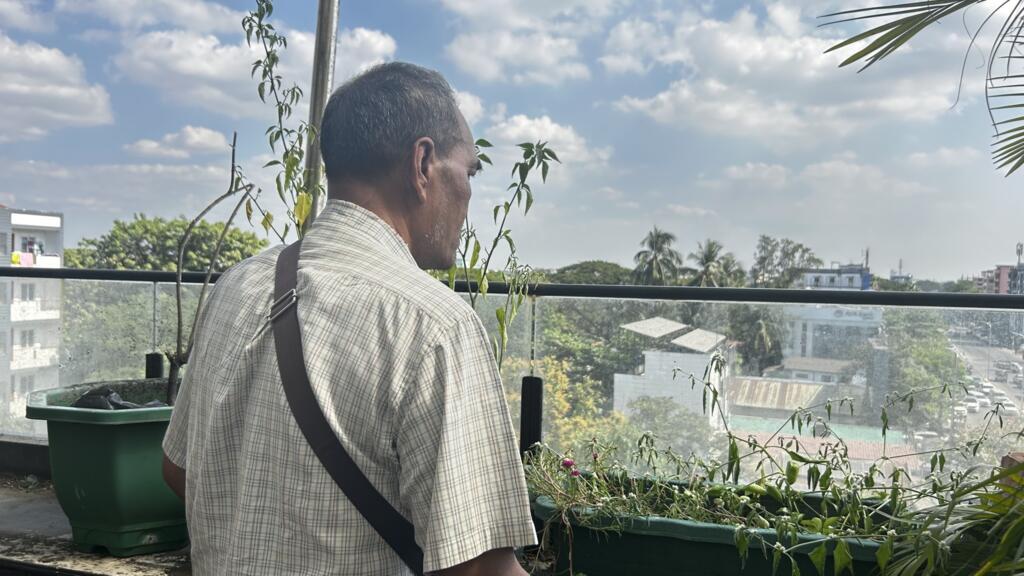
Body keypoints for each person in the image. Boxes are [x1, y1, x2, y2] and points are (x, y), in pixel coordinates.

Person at [162, 62, 536, 575]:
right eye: (469, 171)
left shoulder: (239, 284)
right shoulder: (434, 325)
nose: (469, 194)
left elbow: (177, 469)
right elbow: (478, 570)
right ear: (422, 163)